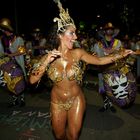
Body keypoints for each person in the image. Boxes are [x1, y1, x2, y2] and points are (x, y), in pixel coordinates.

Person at [29, 1, 134, 140]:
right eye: (72, 33)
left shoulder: (78, 53)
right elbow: (32, 80)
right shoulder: (47, 57)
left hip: (76, 100)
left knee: (73, 136)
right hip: (57, 102)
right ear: (60, 35)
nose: (76, 37)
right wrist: (46, 61)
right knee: (59, 136)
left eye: (76, 33)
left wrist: (121, 54)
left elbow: (100, 61)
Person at [92, 22, 137, 112]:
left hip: (115, 70)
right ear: (104, 31)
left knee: (113, 88)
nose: (110, 30)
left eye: (111, 29)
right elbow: (95, 56)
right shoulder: (98, 44)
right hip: (102, 70)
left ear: (113, 31)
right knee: (102, 88)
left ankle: (111, 104)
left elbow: (121, 54)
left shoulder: (118, 42)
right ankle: (106, 104)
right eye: (107, 29)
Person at [0, 18, 27, 107]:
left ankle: (22, 99)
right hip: (8, 64)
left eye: (3, 29)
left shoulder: (18, 39)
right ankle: (14, 100)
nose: (2, 30)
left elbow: (22, 51)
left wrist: (11, 55)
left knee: (20, 80)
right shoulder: (3, 39)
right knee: (9, 81)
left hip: (17, 62)